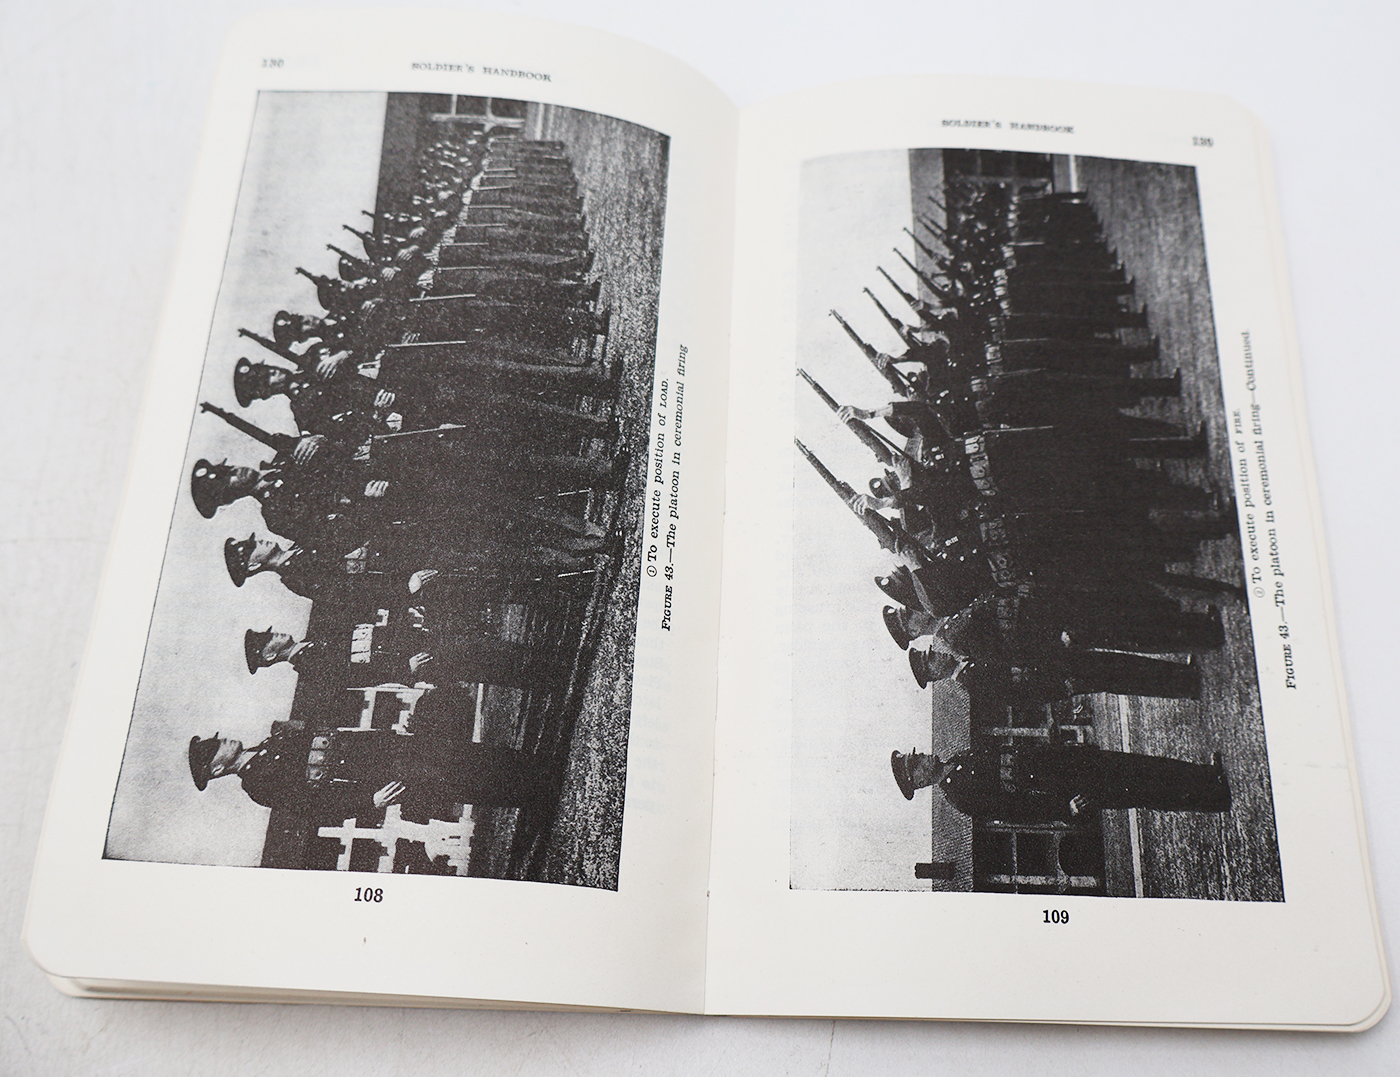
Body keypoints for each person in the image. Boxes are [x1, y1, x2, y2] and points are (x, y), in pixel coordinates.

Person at [188, 717, 553, 822]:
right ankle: (536, 793)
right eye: (216, 747)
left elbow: (335, 734)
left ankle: (536, 766)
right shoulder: (258, 785)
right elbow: (315, 807)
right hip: (376, 777)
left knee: (460, 754)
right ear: (217, 769)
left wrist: (383, 736)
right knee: (454, 781)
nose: (224, 740)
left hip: (384, 748)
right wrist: (369, 801)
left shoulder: (273, 740)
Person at [889, 745, 1231, 822]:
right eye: (917, 762)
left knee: (1138, 765)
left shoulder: (960, 755)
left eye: (917, 756)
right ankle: (1211, 798)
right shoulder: (960, 796)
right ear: (919, 781)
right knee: (1140, 791)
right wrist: (1064, 809)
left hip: (1068, 763)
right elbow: (1015, 811)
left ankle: (1203, 774)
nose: (924, 756)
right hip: (1066, 790)